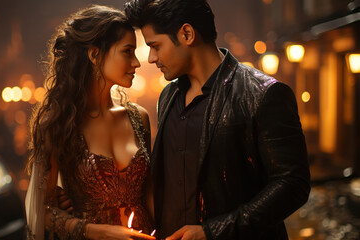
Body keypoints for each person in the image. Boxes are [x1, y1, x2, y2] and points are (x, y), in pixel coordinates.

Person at [124, 0, 311, 239]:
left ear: (187, 34)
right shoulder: (168, 97)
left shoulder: (262, 94)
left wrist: (212, 232)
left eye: (156, 46)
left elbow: (293, 185)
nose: (151, 57)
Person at [25, 5, 156, 240]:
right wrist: (94, 230)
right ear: (94, 54)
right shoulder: (58, 124)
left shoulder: (139, 118)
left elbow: (150, 197)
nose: (136, 63)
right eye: (127, 52)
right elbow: (40, 211)